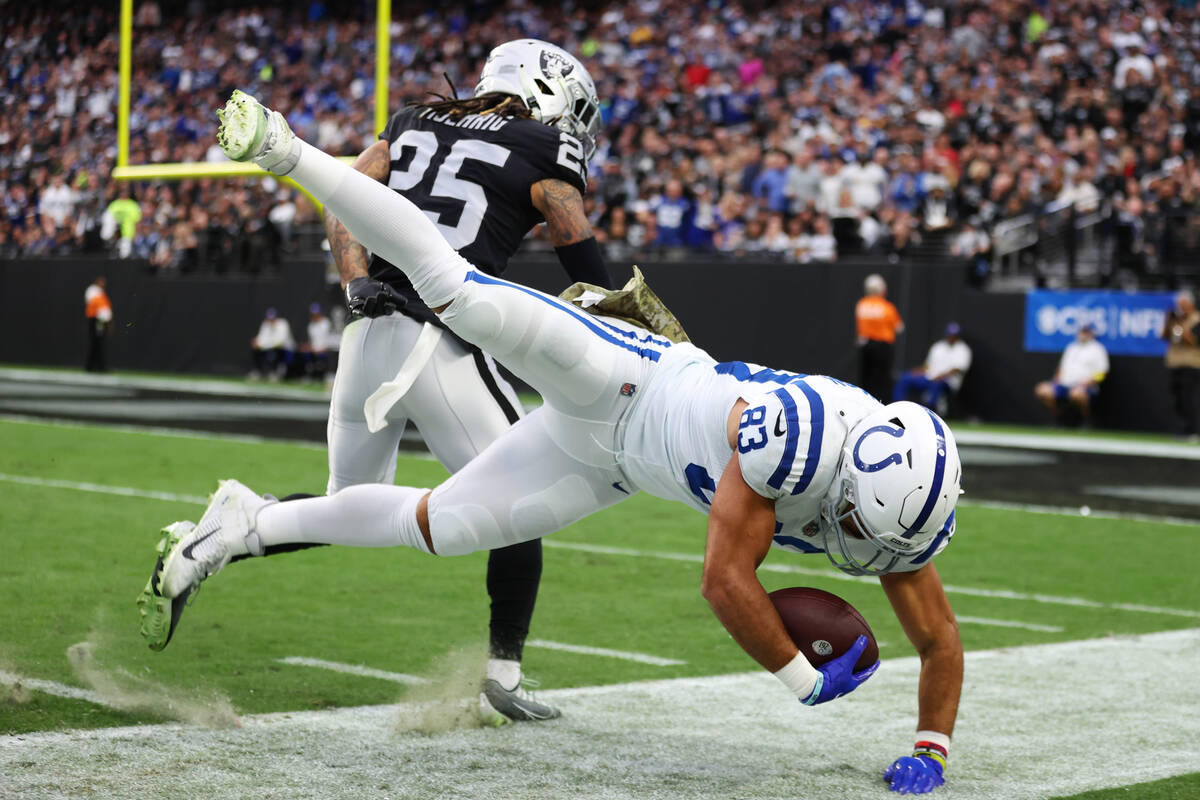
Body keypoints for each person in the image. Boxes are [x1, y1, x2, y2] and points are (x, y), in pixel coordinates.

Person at [139, 91, 965, 796]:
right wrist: (801, 675)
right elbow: (723, 580)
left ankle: (244, 522)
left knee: (441, 526)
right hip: (626, 379)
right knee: (456, 291)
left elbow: (938, 639)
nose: (861, 546)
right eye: (860, 528)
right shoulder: (808, 441)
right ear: (855, 481)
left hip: (609, 466)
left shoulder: (893, 498)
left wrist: (932, 745)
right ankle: (287, 150)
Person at [287, 39, 611, 723]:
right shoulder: (546, 150)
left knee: (344, 507)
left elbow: (340, 199)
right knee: (524, 501)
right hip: (441, 337)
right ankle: (503, 674)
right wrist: (622, 323)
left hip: (367, 329)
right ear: (545, 91)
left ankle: (232, 526)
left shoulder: (411, 120)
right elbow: (572, 239)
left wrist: (355, 280)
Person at [1034, 324, 1109, 425]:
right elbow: (1061, 368)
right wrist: (1055, 381)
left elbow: (1102, 373)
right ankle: (1059, 419)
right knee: (1042, 390)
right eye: (1082, 331)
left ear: (1091, 334)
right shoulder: (1071, 347)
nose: (1083, 334)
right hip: (1063, 385)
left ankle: (1086, 421)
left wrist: (1088, 383)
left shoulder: (1098, 349)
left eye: (1086, 332)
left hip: (1085, 387)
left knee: (1077, 394)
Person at [893, 323, 972, 416]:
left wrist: (941, 376)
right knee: (905, 378)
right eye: (950, 334)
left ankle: (929, 413)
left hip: (948, 381)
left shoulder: (963, 349)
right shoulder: (938, 346)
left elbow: (959, 368)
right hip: (930, 376)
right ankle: (897, 409)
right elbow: (928, 366)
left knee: (936, 384)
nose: (951, 337)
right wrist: (919, 371)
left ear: (958, 336)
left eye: (954, 335)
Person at [855, 274, 905, 402]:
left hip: (866, 346)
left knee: (866, 378)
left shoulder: (861, 304)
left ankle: (864, 403)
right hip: (883, 347)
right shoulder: (886, 307)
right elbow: (899, 327)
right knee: (882, 380)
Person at [1162, 290, 1200, 440]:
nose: (1180, 308)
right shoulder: (1176, 320)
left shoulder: (1197, 319)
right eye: (1178, 305)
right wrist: (1169, 322)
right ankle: (1183, 429)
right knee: (1177, 399)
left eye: (1183, 305)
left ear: (1190, 304)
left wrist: (1182, 329)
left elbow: (1194, 341)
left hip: (1191, 364)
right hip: (1174, 364)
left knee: (1188, 398)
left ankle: (1192, 430)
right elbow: (1164, 337)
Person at [250, 307, 295, 381]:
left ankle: (274, 373)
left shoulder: (283, 324)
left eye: (272, 318)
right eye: (269, 318)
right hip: (269, 348)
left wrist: (263, 345)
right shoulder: (265, 324)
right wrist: (257, 342)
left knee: (274, 351)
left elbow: (280, 342)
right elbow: (261, 337)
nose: (271, 320)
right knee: (256, 351)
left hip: (285, 349)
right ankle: (258, 372)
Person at [299, 303, 339, 383]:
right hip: (316, 350)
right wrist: (308, 347)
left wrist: (322, 349)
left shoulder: (326, 323)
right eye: (313, 314)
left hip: (327, 349)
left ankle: (330, 374)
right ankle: (309, 375)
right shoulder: (310, 326)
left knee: (331, 353)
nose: (315, 316)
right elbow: (313, 342)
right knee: (304, 354)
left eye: (316, 314)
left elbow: (331, 340)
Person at [84, 276, 113, 372]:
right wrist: (106, 318)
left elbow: (105, 308)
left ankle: (92, 366)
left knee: (98, 343)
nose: (103, 284)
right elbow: (98, 307)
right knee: (97, 342)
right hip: (96, 320)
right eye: (101, 282)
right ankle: (97, 366)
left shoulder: (100, 292)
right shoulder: (93, 291)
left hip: (100, 321)